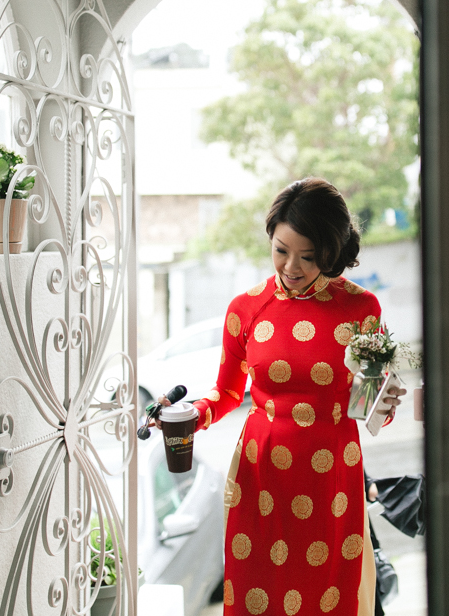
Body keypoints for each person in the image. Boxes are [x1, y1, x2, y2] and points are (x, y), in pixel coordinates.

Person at [151, 177, 403, 616]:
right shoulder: (244, 309)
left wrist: (384, 401)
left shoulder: (362, 309)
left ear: (332, 251)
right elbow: (229, 391)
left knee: (329, 596)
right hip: (262, 473)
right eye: (281, 250)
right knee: (258, 594)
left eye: (309, 256)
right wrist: (194, 414)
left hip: (332, 478)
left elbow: (368, 408)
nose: (291, 266)